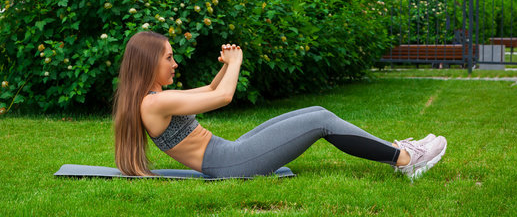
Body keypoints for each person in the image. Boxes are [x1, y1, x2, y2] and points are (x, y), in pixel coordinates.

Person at [113, 31, 447, 180]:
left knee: (315, 113)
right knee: (322, 121)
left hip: (229, 153)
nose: (174, 63)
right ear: (147, 63)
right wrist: (238, 61)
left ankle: (398, 152)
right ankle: (404, 159)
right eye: (168, 57)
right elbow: (224, 97)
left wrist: (225, 65)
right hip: (231, 164)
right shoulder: (154, 103)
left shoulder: (156, 100)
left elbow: (211, 88)